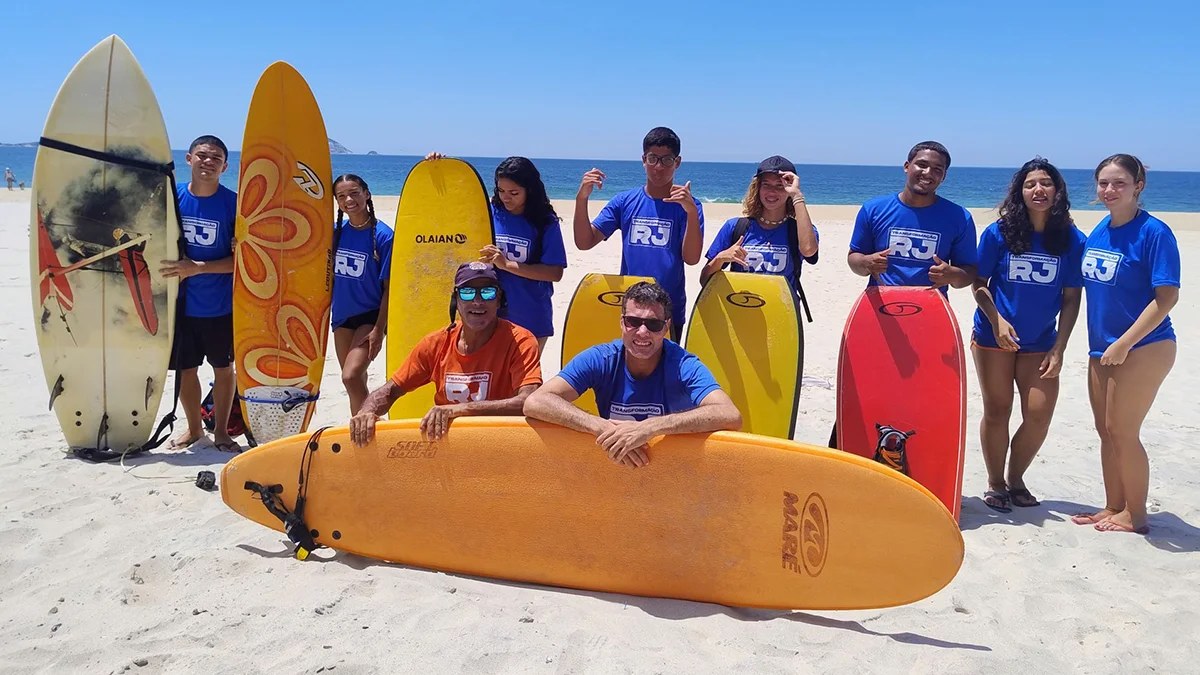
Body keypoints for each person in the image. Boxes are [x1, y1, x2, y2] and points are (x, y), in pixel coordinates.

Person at [832, 141, 978, 448]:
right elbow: (854, 260)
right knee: (867, 388)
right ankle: (848, 450)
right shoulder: (874, 209)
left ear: (944, 177)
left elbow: (968, 274)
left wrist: (951, 275)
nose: (928, 173)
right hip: (879, 316)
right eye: (922, 165)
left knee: (921, 394)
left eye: (937, 169)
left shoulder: (959, 217)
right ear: (907, 166)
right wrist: (867, 263)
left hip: (930, 320)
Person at [523, 281, 742, 468]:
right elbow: (536, 402)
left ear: (666, 328)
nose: (642, 332)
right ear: (622, 322)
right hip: (614, 459)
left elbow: (729, 415)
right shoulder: (601, 358)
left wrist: (650, 427)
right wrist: (600, 426)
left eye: (653, 324)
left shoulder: (683, 364)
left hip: (672, 468)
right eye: (633, 322)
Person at [971, 158, 1086, 512]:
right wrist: (996, 321)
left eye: (1046, 183)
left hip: (1040, 342)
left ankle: (1016, 477)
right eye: (1030, 184)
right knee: (998, 409)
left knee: (1038, 413)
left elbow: (1071, 297)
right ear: (1020, 192)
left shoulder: (1071, 239)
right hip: (994, 338)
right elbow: (978, 283)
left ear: (1057, 191)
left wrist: (1060, 346)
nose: (1039, 190)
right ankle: (995, 483)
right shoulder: (998, 233)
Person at [1073, 154, 1179, 535]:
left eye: (1119, 183)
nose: (1109, 190)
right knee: (1106, 430)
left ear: (1139, 186)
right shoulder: (1101, 230)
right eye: (1103, 183)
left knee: (1122, 430)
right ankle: (1113, 505)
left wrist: (1124, 344)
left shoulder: (1154, 232)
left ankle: (1136, 514)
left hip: (1146, 346)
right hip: (1101, 347)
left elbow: (1166, 298)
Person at [349, 261, 543, 446]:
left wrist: (461, 410)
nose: (477, 301)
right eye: (467, 293)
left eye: (487, 292)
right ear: (456, 301)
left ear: (499, 300)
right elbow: (390, 390)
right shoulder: (436, 343)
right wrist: (366, 412)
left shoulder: (520, 341)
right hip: (448, 447)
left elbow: (528, 401)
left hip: (502, 444)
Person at [426, 153, 567, 353]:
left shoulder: (545, 222)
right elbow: (452, 205)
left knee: (523, 381)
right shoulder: (489, 213)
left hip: (530, 313)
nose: (505, 197)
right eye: (501, 190)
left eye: (514, 192)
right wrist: (439, 168)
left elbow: (555, 273)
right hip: (488, 312)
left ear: (530, 190)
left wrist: (507, 264)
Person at [573, 127, 704, 342]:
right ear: (643, 160)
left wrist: (689, 212)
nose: (658, 167)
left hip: (668, 310)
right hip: (632, 307)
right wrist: (582, 199)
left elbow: (691, 258)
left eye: (666, 160)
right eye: (652, 159)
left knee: (664, 373)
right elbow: (584, 242)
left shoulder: (690, 206)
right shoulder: (625, 201)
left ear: (677, 162)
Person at [158, 135, 239, 452]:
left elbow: (243, 262)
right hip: (178, 306)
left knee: (223, 369)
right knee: (185, 369)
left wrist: (198, 267)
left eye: (216, 158)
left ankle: (220, 431)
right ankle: (194, 430)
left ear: (225, 166)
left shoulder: (234, 204)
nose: (208, 162)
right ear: (189, 159)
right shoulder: (172, 200)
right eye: (202, 156)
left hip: (219, 306)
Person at [702, 155, 819, 294]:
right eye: (766, 184)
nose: (772, 192)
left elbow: (809, 251)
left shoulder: (798, 230)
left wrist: (797, 195)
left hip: (782, 312)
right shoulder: (735, 227)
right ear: (757, 188)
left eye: (780, 186)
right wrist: (720, 258)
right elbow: (704, 280)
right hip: (739, 310)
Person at [331, 174, 394, 415]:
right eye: (342, 196)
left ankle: (365, 424)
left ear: (366, 194)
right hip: (342, 317)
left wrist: (379, 328)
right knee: (356, 382)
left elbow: (389, 288)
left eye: (354, 192)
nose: (349, 199)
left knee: (350, 376)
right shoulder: (335, 234)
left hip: (370, 315)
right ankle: (364, 429)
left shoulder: (383, 236)